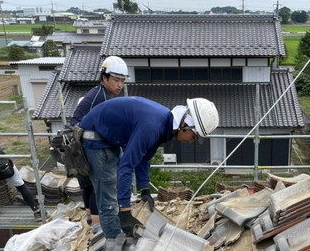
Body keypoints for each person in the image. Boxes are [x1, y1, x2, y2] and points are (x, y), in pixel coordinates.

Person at [80, 96, 219, 239]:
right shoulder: (152, 127)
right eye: (195, 136)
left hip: (109, 138)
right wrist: (126, 212)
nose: (192, 141)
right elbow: (126, 167)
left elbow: (144, 159)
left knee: (115, 190)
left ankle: (117, 233)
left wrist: (144, 188)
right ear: (184, 124)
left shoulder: (164, 125)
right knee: (108, 196)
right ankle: (114, 245)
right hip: (95, 138)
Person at [68, 56, 129, 226]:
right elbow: (76, 123)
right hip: (90, 148)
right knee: (100, 187)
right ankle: (97, 227)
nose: (120, 85)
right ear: (104, 77)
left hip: (89, 146)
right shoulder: (100, 97)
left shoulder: (104, 94)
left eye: (122, 81)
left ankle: (91, 221)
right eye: (116, 80)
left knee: (91, 186)